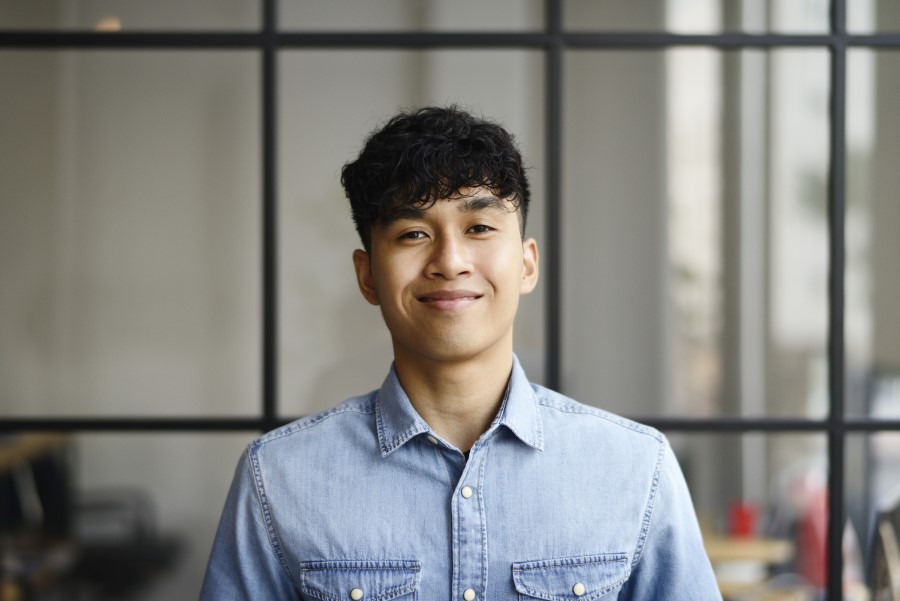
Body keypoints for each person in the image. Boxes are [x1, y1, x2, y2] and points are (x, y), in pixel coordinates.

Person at [200, 106, 722, 600]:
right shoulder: (278, 478)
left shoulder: (634, 468)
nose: (449, 261)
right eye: (413, 233)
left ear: (526, 264)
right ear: (367, 277)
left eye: (479, 228)